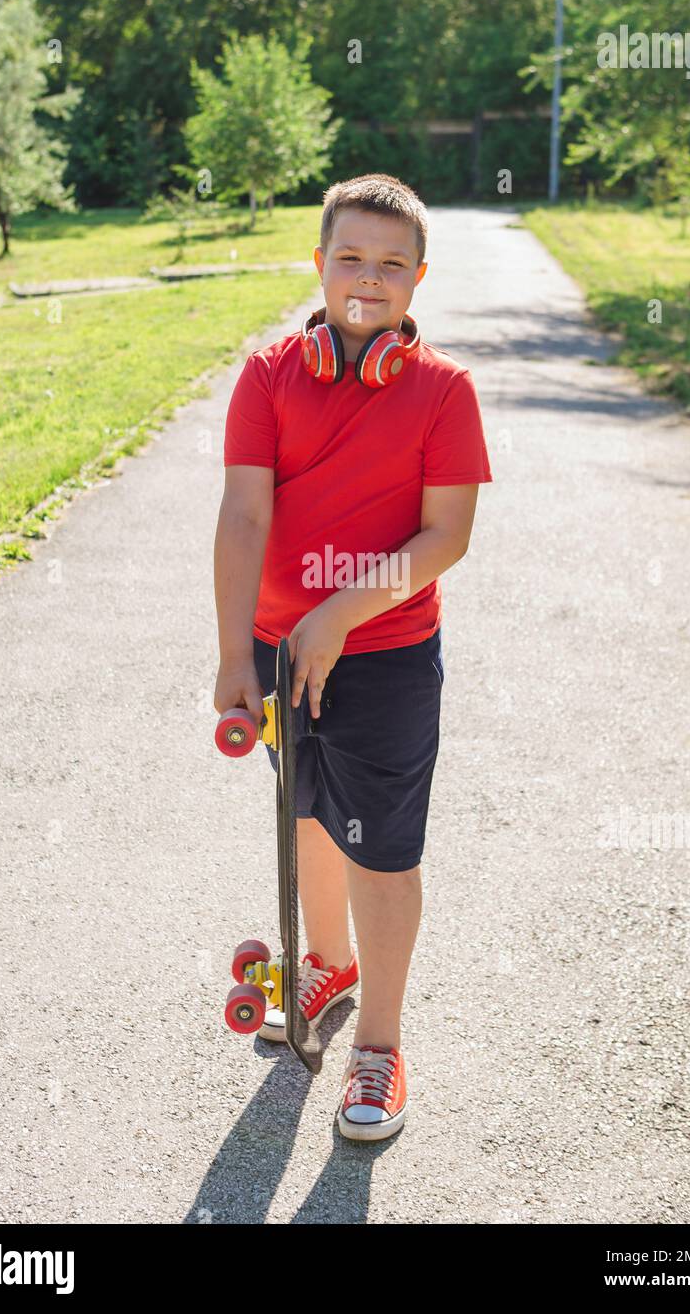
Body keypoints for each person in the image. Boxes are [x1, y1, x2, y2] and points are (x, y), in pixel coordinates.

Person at [214, 172, 493, 1142]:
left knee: (381, 845)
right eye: (348, 258)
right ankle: (323, 961)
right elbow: (244, 513)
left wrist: (337, 613)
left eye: (388, 264)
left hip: (383, 655)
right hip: (277, 652)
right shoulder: (264, 375)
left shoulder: (443, 391)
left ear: (417, 278)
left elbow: (443, 536)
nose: (365, 279)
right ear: (318, 263)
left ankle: (378, 1044)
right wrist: (232, 655)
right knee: (309, 811)